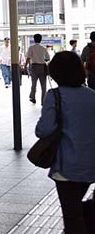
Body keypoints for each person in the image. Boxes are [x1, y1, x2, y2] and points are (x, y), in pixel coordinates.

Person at [35, 51, 95, 234]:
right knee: (76, 210)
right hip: (90, 165)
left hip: (65, 168)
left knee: (72, 217)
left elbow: (43, 130)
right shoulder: (92, 95)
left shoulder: (54, 96)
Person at [25, 34, 50, 104]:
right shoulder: (43, 48)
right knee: (43, 85)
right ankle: (43, 101)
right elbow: (48, 58)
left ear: (34, 39)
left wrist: (25, 66)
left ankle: (33, 97)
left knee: (33, 84)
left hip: (34, 67)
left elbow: (28, 58)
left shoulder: (31, 47)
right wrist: (42, 59)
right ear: (41, 39)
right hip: (42, 67)